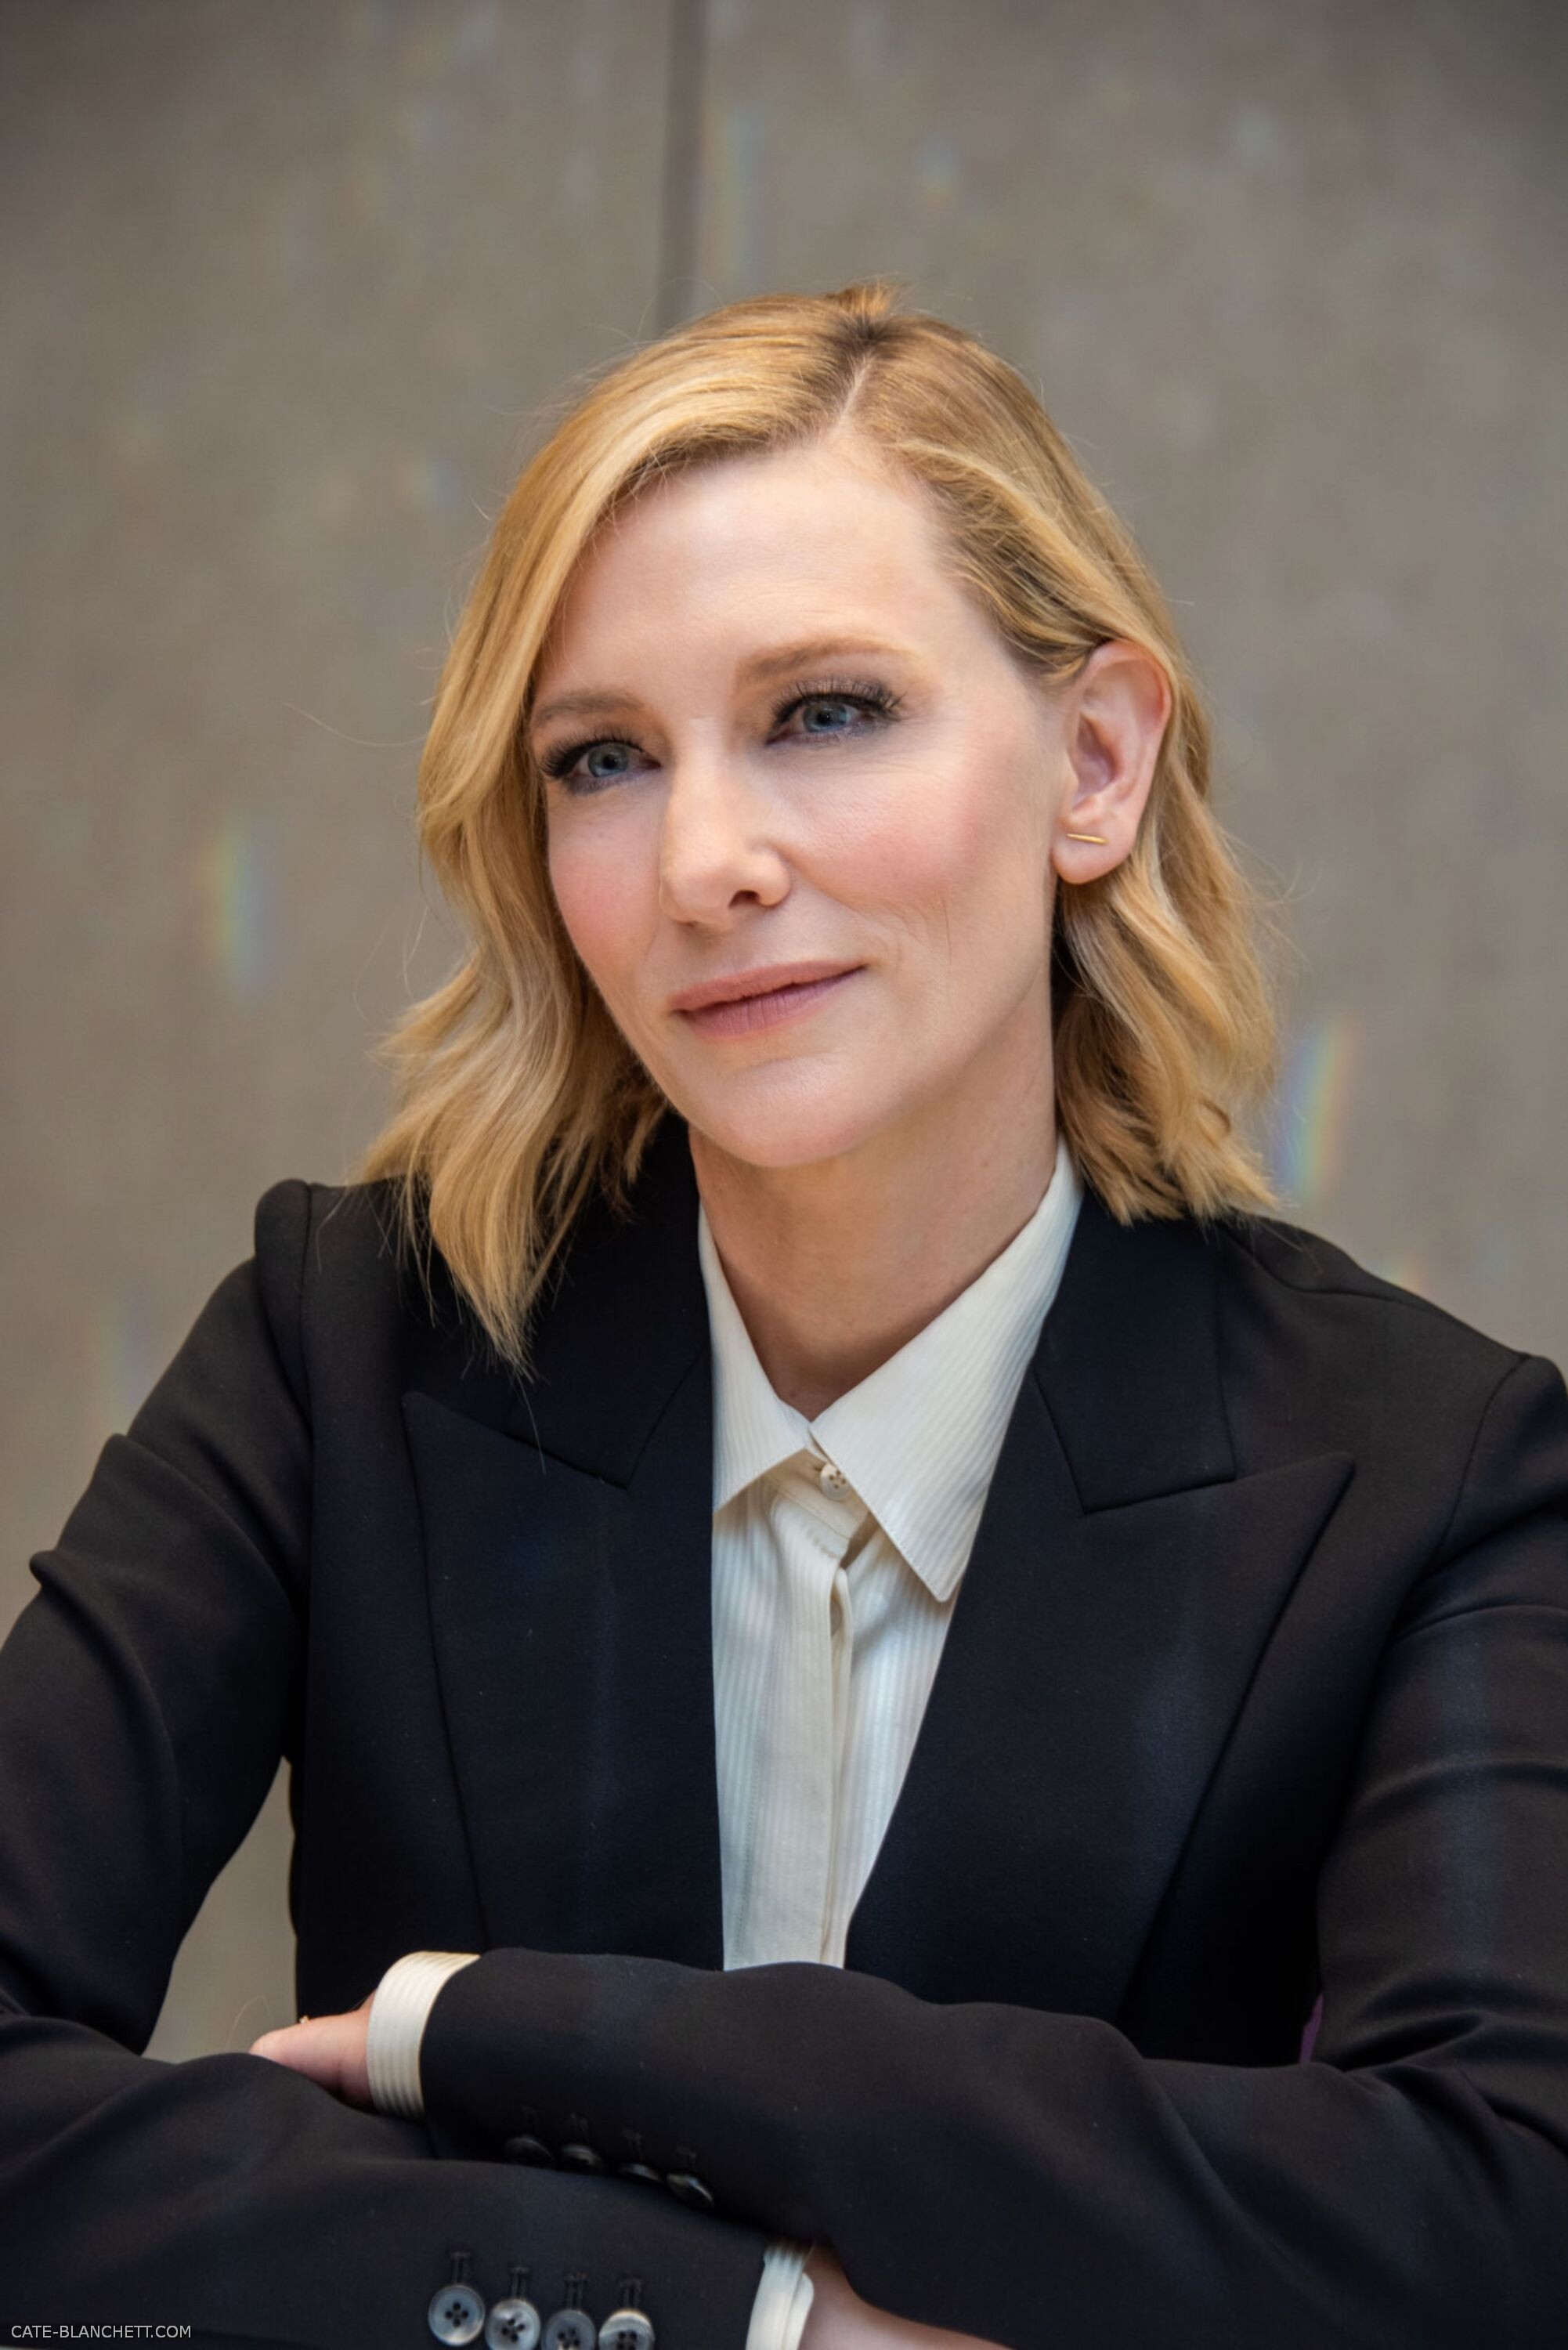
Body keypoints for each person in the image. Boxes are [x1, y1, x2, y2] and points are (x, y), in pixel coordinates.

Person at [2, 279, 1566, 2350]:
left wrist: (535, 2036)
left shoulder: (1436, 1474)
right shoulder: (342, 1345)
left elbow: (1503, 2222)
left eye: (823, 712)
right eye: (603, 760)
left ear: (1094, 763)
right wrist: (747, 2317)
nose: (705, 861)